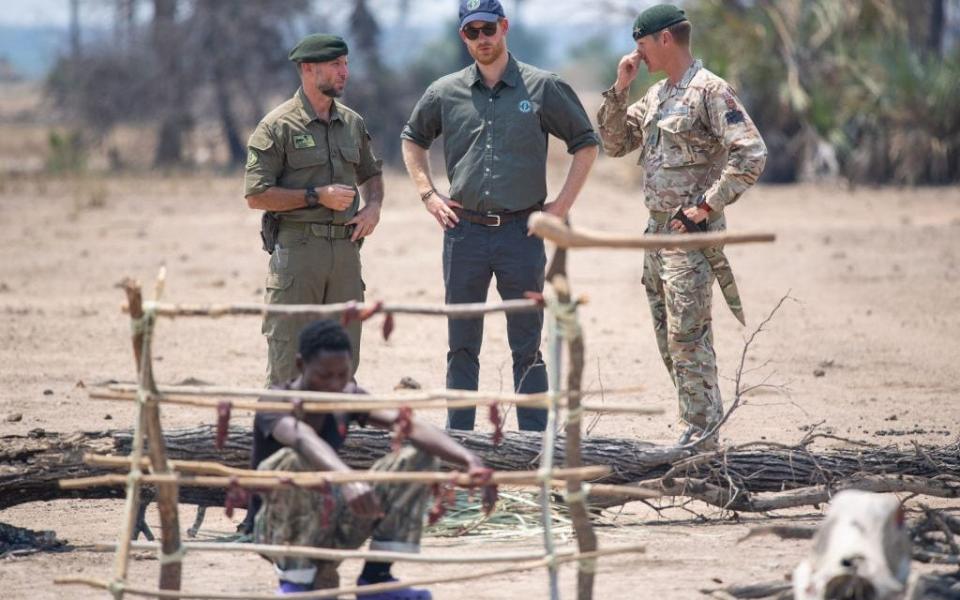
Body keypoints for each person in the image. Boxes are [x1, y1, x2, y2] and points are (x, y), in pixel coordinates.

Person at [400, 0, 600, 432]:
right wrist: (428, 194)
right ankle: (460, 445)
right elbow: (412, 140)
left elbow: (586, 143)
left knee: (527, 345)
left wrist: (560, 206)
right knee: (461, 345)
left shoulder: (543, 87)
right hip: (464, 234)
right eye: (471, 32)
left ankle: (532, 448)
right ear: (463, 37)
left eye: (488, 29)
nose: (481, 39)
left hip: (522, 235)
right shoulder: (444, 91)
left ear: (504, 27)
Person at [596, 4, 767, 446]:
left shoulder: (709, 91)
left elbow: (751, 152)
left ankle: (702, 433)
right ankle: (698, 422)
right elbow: (613, 143)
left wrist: (706, 207)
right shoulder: (656, 95)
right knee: (667, 337)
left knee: (687, 335)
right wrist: (621, 86)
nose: (639, 54)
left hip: (689, 234)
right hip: (655, 234)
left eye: (642, 46)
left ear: (665, 40)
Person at [250, 319, 487, 597]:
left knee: (418, 458)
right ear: (301, 366)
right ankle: (295, 585)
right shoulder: (276, 402)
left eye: (343, 375)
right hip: (278, 530)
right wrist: (349, 480)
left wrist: (469, 459)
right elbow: (303, 438)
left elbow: (408, 424)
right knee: (295, 461)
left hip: (334, 522)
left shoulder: (346, 395)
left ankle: (377, 581)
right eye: (325, 376)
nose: (335, 385)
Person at [245, 33, 384, 385]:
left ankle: (335, 435)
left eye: (346, 63)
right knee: (288, 358)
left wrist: (374, 207)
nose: (345, 72)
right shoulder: (278, 126)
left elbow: (371, 173)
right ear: (308, 68)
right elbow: (256, 195)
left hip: (346, 254)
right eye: (336, 64)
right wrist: (315, 195)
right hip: (298, 253)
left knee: (343, 358)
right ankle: (282, 435)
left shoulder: (352, 123)